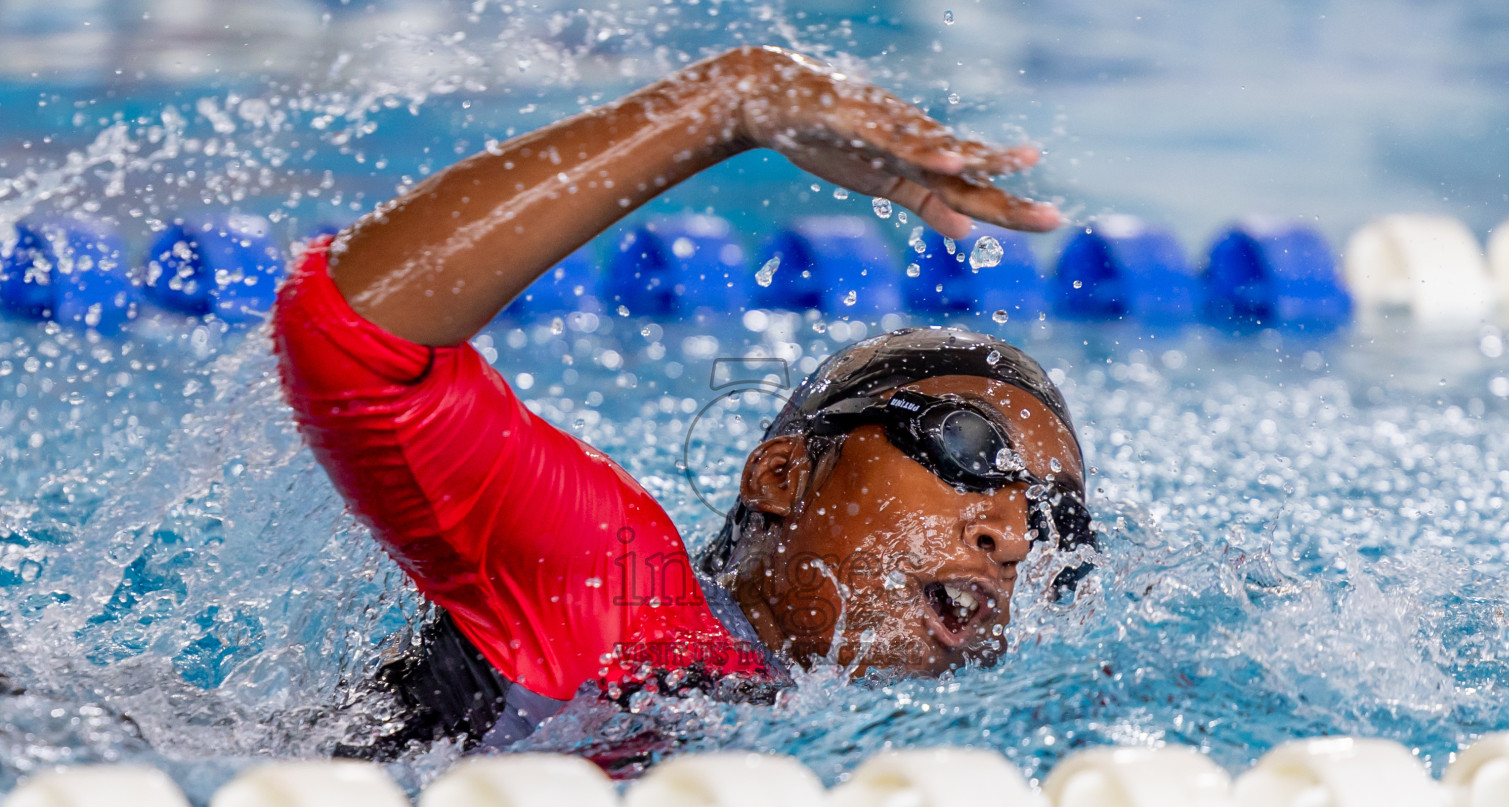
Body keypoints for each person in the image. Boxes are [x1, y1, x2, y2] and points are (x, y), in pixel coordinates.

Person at [271, 45, 1092, 758]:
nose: (1014, 535)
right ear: (781, 476)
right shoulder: (617, 591)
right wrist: (728, 100)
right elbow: (347, 331)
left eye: (1053, 516)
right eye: (969, 449)